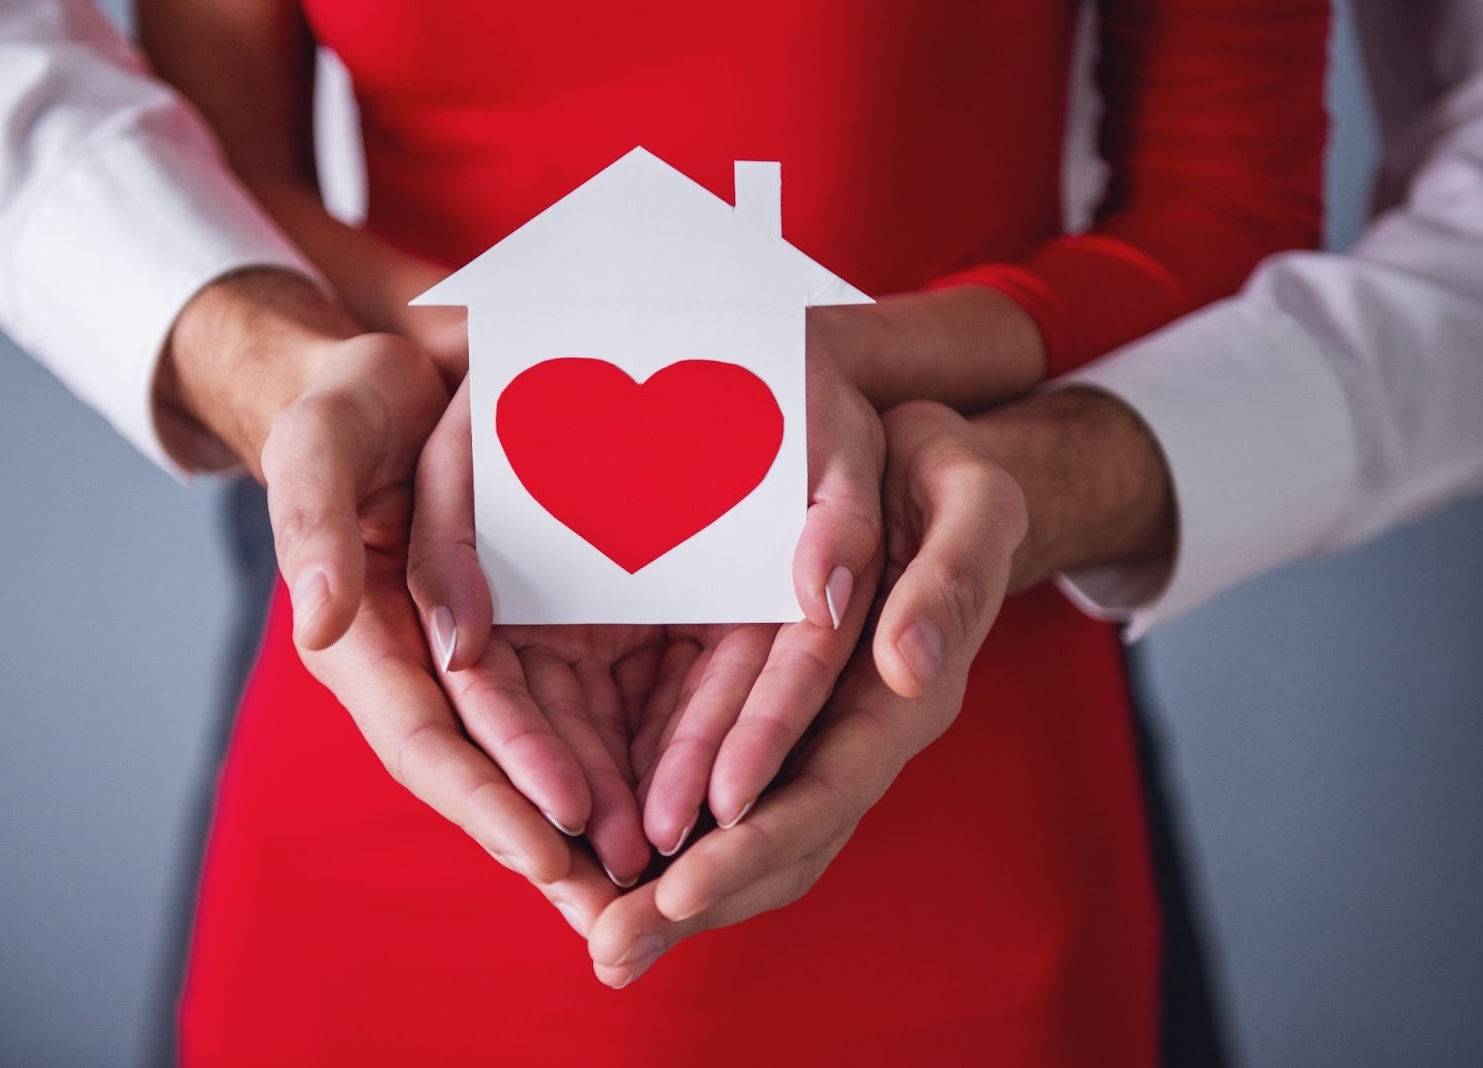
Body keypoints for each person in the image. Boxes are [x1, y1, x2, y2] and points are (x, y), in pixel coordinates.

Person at [139, 1, 1330, 1064]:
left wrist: (846, 363)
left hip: (941, 655)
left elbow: (1222, 203)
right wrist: (495, 356)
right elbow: (218, 179)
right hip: (412, 648)